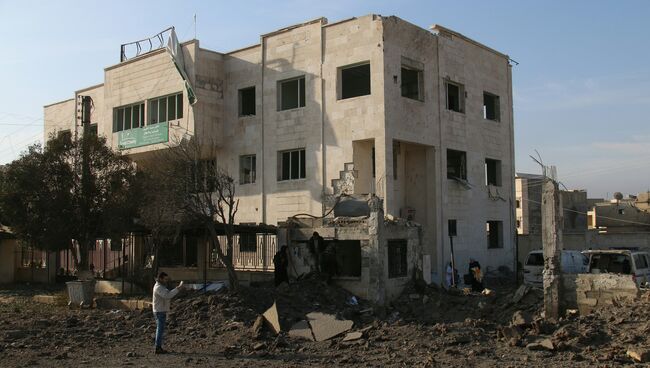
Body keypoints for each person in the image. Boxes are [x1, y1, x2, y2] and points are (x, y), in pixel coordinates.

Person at [152, 272, 184, 354]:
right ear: (161, 278)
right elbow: (168, 295)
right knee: (160, 329)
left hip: (160, 310)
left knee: (160, 329)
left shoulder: (161, 286)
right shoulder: (158, 287)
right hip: (159, 311)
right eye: (165, 279)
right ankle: (158, 347)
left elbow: (167, 294)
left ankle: (158, 347)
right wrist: (178, 288)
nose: (166, 281)